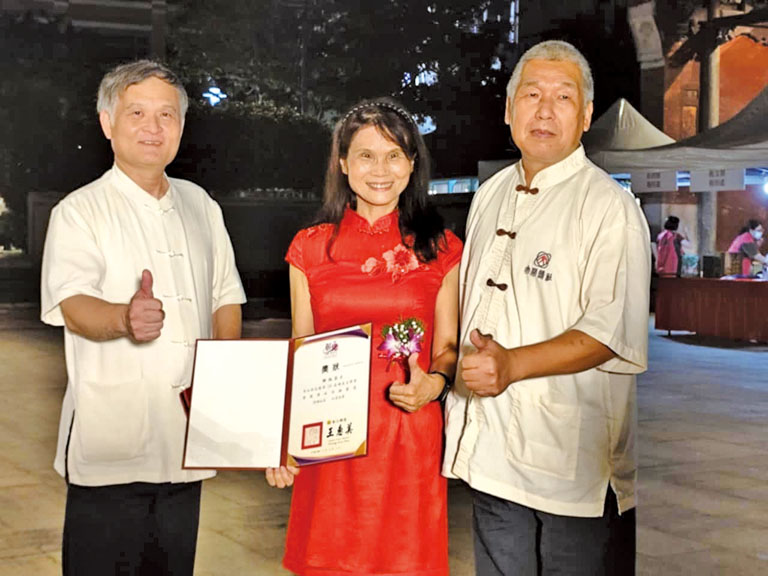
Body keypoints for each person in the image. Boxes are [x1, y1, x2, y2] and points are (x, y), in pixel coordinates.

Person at [443, 40, 651, 575]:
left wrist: (512, 364)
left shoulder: (609, 206)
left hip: (570, 465)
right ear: (509, 110)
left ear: (584, 117)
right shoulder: (489, 193)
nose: (544, 109)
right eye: (531, 94)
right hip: (491, 450)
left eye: (563, 97)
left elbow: (609, 332)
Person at [40, 60, 246, 575]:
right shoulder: (79, 211)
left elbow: (225, 297)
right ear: (108, 122)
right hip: (112, 449)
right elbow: (74, 306)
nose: (154, 128)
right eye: (137, 112)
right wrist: (123, 319)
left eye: (167, 115)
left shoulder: (201, 204)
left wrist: (223, 383)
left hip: (186, 446)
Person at [266, 97, 463, 576]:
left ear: (412, 164)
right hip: (330, 436)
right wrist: (278, 440)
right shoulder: (310, 248)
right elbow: (301, 350)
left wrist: (433, 386)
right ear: (342, 162)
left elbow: (449, 349)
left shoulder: (441, 248)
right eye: (366, 155)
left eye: (395, 155)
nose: (381, 169)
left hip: (407, 433)